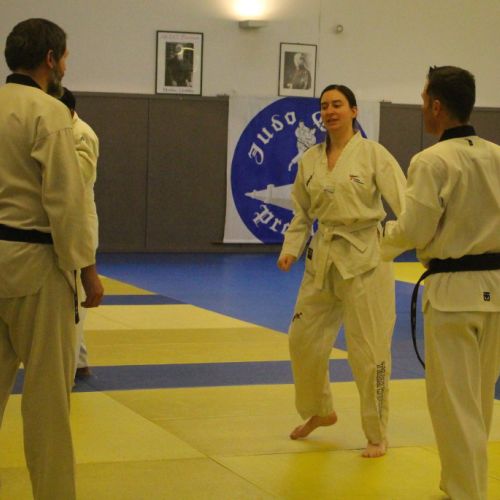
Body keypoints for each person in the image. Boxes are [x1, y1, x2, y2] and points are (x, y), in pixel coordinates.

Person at [381, 66, 500, 499]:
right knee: (478, 403)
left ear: (436, 105)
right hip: (495, 290)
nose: (421, 107)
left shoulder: (432, 161)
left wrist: (380, 240)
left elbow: (414, 230)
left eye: (422, 99)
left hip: (454, 294)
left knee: (454, 406)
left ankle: (466, 493)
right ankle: (459, 487)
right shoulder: (497, 155)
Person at [0, 18, 104, 500]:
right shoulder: (50, 113)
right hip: (36, 266)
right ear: (49, 59)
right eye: (64, 56)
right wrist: (87, 271)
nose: (65, 65)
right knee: (47, 401)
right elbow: (66, 201)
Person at [277, 84, 406, 458]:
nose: (330, 111)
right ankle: (320, 410)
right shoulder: (311, 159)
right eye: (324, 106)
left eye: (337, 104)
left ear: (354, 111)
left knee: (368, 350)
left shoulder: (373, 154)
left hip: (366, 260)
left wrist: (390, 242)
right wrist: (291, 248)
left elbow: (407, 206)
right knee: (302, 339)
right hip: (323, 257)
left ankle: (377, 433)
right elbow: (301, 211)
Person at [60, 87, 100, 381]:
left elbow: (73, 182)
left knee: (73, 305)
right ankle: (81, 361)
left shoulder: (81, 134)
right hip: (68, 225)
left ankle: (68, 369)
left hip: (78, 227)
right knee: (73, 302)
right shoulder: (61, 132)